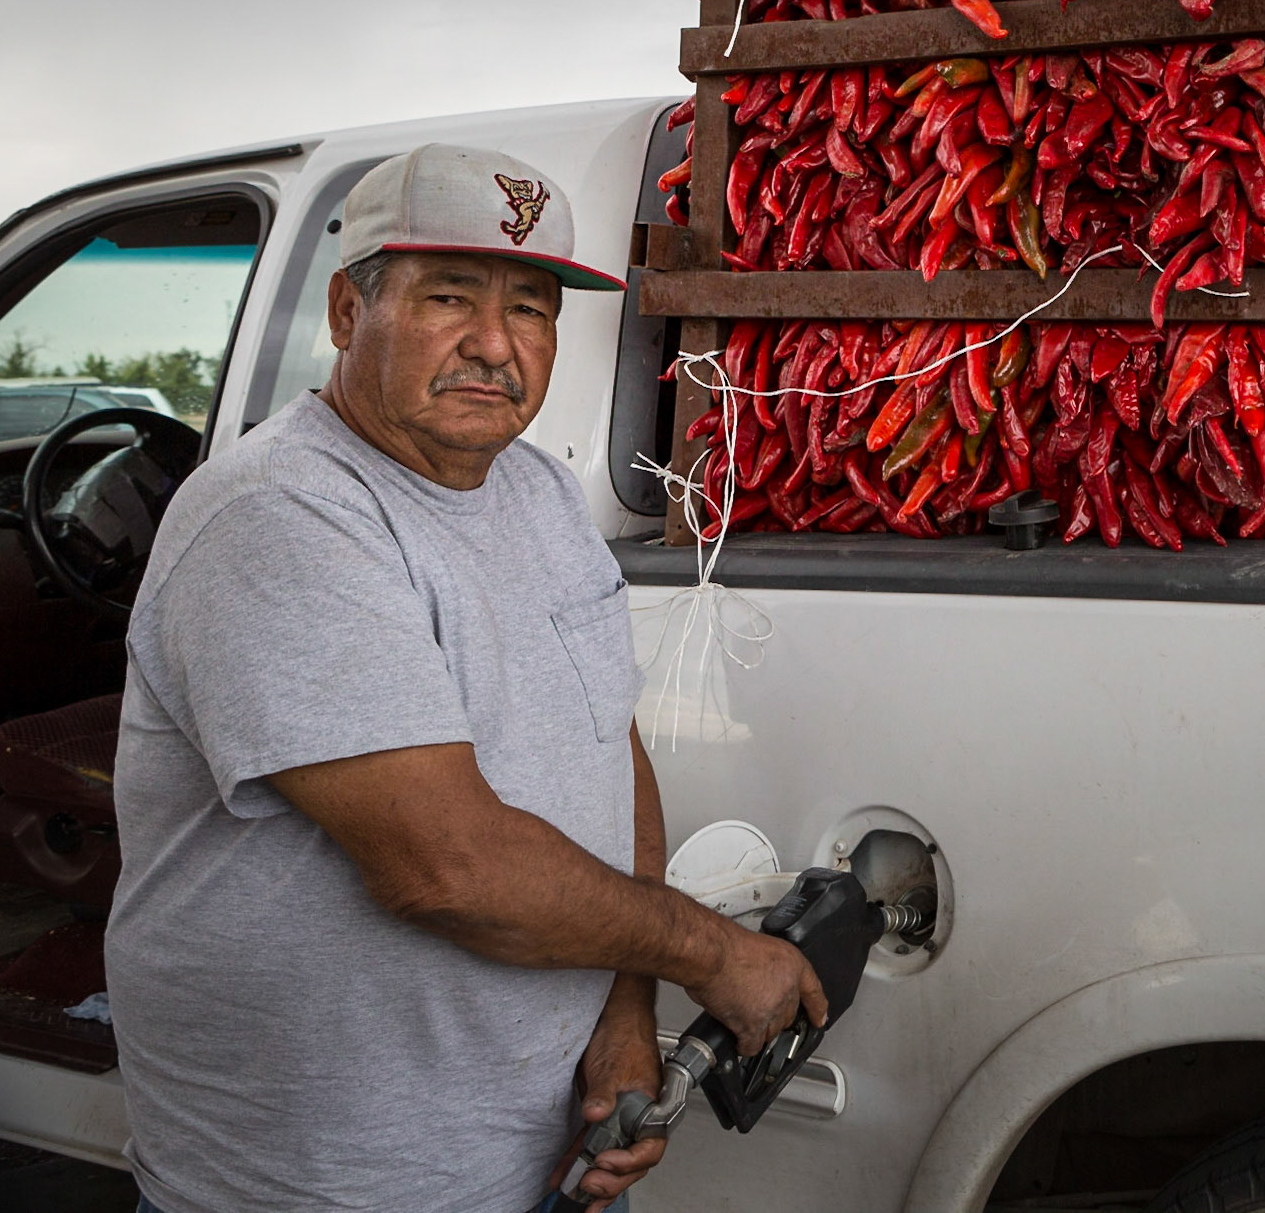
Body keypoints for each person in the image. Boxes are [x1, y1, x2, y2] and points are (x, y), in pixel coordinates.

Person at [105, 144, 827, 1213]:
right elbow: (443, 867)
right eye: (449, 297)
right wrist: (708, 955)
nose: (494, 345)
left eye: (531, 310)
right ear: (349, 313)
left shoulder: (533, 493)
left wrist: (619, 1018)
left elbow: (601, 749)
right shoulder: (279, 514)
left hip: (544, 1153)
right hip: (327, 1179)